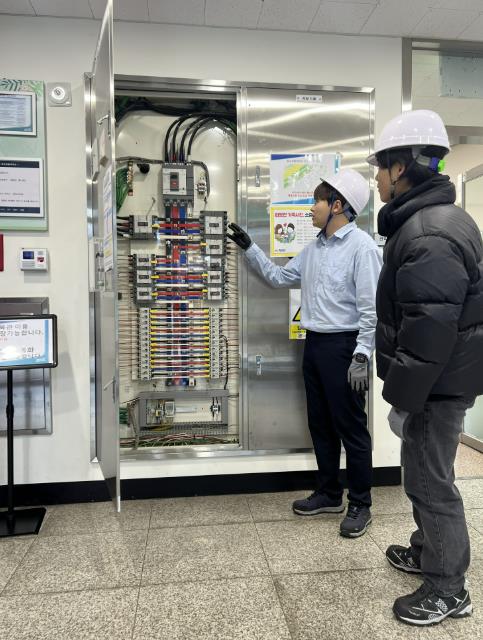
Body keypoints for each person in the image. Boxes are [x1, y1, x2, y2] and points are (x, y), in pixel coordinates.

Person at [368, 109, 483, 626]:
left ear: (401, 168)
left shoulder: (428, 232)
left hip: (436, 385)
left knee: (431, 482)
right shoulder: (433, 221)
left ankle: (447, 588)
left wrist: (402, 397)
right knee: (421, 473)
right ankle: (426, 550)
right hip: (439, 380)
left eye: (381, 167)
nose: (377, 178)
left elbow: (429, 329)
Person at [227, 169, 381, 538]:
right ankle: (329, 493)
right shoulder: (313, 250)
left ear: (337, 206)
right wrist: (250, 248)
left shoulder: (362, 248)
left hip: (345, 348)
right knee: (320, 424)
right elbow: (279, 277)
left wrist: (362, 355)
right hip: (314, 346)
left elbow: (371, 310)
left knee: (352, 429)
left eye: (317, 201)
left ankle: (361, 504)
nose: (311, 208)